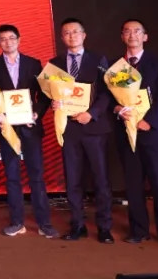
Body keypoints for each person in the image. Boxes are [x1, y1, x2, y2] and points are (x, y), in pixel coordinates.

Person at [0, 25, 57, 238]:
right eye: (3, 39)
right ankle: (17, 222)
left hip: (30, 127)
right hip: (7, 128)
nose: (8, 42)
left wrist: (36, 113)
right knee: (12, 176)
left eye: (11, 38)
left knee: (37, 176)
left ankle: (44, 223)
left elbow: (44, 95)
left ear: (19, 39)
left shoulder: (33, 63)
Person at [113, 19, 158, 248]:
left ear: (145, 36)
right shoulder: (116, 67)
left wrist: (148, 121)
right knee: (133, 186)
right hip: (127, 133)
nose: (132, 35)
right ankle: (138, 230)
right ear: (122, 37)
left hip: (154, 133)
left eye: (137, 31)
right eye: (127, 31)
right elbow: (109, 98)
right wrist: (117, 109)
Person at [49, 18, 114, 244]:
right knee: (73, 179)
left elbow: (107, 92)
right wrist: (54, 102)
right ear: (62, 37)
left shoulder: (99, 59)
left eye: (75, 32)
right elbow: (51, 92)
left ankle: (104, 227)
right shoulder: (55, 64)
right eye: (67, 33)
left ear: (84, 35)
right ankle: (77, 225)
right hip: (69, 129)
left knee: (101, 179)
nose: (71, 36)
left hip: (94, 127)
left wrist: (92, 113)